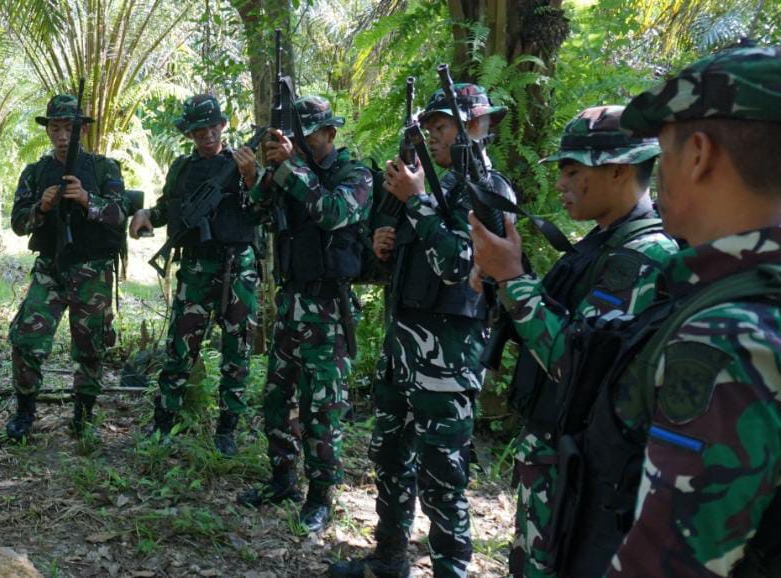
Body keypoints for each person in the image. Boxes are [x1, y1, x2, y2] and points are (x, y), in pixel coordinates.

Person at [506, 43, 781, 578]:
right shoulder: (723, 295)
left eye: (665, 151)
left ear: (698, 154)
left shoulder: (730, 332)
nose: (656, 174)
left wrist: (512, 281)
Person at [470, 105, 678, 577]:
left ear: (618, 171)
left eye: (571, 170)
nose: (560, 183)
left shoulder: (643, 257)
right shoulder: (602, 245)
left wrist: (514, 280)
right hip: (555, 464)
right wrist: (502, 280)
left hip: (585, 477)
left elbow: (576, 366)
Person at [331, 82, 508, 578]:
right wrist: (384, 246)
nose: (432, 136)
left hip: (448, 359)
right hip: (403, 348)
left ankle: (451, 568)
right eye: (429, 128)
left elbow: (459, 267)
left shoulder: (489, 191)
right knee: (388, 456)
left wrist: (418, 202)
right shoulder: (430, 186)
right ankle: (388, 558)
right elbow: (406, 266)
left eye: (442, 127)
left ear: (476, 127)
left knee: (443, 473)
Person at [235, 95, 372, 534]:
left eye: (308, 135)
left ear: (330, 134)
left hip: (329, 310)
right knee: (276, 398)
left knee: (321, 409)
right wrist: (261, 175)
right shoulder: (289, 171)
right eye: (295, 137)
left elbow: (333, 213)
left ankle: (320, 496)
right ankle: (281, 480)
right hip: (291, 305)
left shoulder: (355, 174)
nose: (300, 143)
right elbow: (254, 212)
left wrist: (291, 169)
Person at [128, 94, 259, 455]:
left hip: (239, 267)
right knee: (180, 349)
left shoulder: (244, 163)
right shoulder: (183, 169)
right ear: (190, 134)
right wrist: (147, 217)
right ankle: (164, 420)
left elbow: (265, 208)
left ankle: (227, 430)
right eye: (199, 130)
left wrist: (250, 176)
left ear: (223, 126)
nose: (207, 136)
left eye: (212, 127)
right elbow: (171, 207)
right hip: (196, 268)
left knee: (237, 352)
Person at [5, 93, 127, 442]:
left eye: (69, 130)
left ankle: (83, 414)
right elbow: (18, 224)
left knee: (90, 346)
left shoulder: (105, 169)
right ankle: (24, 412)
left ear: (81, 132)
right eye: (56, 128)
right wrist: (41, 208)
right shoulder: (36, 172)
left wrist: (88, 200)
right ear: (48, 132)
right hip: (51, 269)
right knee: (27, 340)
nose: (62, 136)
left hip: (93, 270)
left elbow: (120, 215)